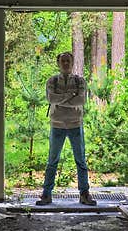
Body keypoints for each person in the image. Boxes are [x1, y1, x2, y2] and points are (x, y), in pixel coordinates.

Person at [36, 52, 97, 206]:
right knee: (52, 161)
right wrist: (71, 96)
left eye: (68, 61)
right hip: (57, 125)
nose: (65, 63)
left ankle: (84, 194)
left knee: (81, 160)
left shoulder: (79, 81)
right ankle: (46, 195)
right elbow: (51, 98)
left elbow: (81, 100)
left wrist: (61, 98)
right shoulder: (52, 81)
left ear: (72, 62)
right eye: (62, 61)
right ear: (58, 63)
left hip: (75, 124)